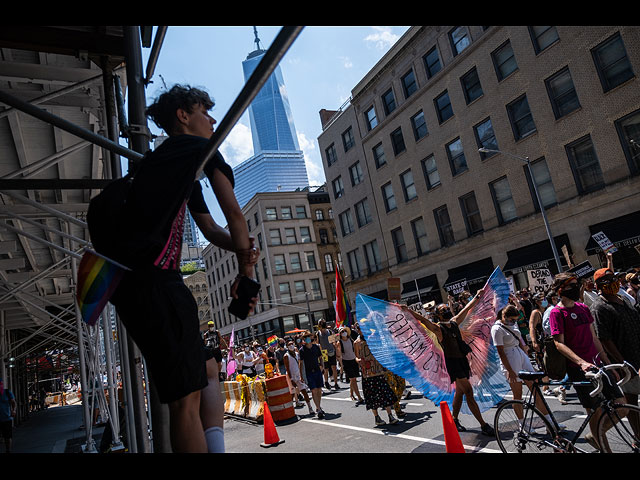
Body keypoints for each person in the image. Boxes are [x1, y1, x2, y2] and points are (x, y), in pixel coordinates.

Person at [109, 84, 260, 453]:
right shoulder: (199, 149)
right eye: (203, 111)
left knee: (207, 371)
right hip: (157, 283)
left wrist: (243, 250)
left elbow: (211, 230)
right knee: (184, 400)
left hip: (136, 288)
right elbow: (235, 216)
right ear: (182, 116)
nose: (211, 120)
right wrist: (247, 278)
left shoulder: (163, 164)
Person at [549, 271, 627, 450]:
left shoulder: (583, 308)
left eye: (577, 284)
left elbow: (594, 338)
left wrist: (608, 364)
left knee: (622, 406)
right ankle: (603, 448)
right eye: (572, 285)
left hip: (598, 364)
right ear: (561, 290)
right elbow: (559, 344)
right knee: (595, 412)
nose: (577, 288)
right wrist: (580, 362)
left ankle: (595, 435)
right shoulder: (557, 313)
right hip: (579, 369)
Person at [410, 289, 495, 436]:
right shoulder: (438, 328)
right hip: (453, 364)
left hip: (462, 361)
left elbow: (467, 309)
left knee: (460, 392)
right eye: (442, 310)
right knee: (468, 391)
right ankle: (483, 425)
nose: (446, 311)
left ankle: (453, 419)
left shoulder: (454, 322)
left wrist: (477, 296)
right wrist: (408, 311)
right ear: (438, 315)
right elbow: (423, 321)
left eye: (446, 308)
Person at [492, 306, 564, 430]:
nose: (513, 322)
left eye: (515, 320)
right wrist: (509, 370)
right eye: (511, 320)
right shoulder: (497, 329)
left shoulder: (513, 324)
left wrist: (525, 354)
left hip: (520, 355)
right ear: (504, 317)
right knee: (517, 394)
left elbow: (519, 338)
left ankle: (549, 422)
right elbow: (501, 352)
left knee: (535, 390)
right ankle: (522, 423)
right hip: (509, 358)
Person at [590, 268, 640, 437]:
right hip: (625, 362)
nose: (613, 283)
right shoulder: (599, 307)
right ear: (598, 286)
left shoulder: (623, 300)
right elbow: (605, 339)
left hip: (637, 356)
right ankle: (637, 438)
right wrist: (623, 363)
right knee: (630, 401)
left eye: (614, 279)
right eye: (607, 281)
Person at [354, 333, 399, 426]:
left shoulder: (374, 339)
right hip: (367, 374)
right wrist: (358, 360)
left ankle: (390, 415)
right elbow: (356, 356)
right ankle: (377, 417)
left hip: (378, 371)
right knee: (372, 397)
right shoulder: (357, 343)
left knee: (385, 393)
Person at [299, 331, 326, 419]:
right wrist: (301, 375)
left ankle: (319, 406)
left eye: (308, 337)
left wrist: (322, 366)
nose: (307, 339)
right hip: (309, 372)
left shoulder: (316, 347)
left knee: (319, 389)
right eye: (305, 337)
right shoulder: (302, 350)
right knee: (314, 390)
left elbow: (320, 357)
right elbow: (301, 363)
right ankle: (318, 409)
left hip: (317, 370)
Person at [283, 340, 314, 415]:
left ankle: (310, 407)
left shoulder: (297, 354)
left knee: (304, 391)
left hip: (298, 375)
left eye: (292, 344)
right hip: (291, 376)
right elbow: (287, 368)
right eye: (289, 345)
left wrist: (301, 376)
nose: (291, 346)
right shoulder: (286, 356)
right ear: (287, 347)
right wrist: (291, 379)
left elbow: (300, 365)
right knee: (292, 394)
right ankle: (290, 410)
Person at [337, 326, 364, 405]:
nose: (344, 333)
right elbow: (339, 354)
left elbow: (355, 350)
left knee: (354, 379)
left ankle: (351, 393)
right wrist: (336, 347)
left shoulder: (351, 340)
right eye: (342, 332)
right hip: (346, 362)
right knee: (353, 379)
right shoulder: (339, 342)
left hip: (353, 360)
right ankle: (359, 397)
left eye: (344, 331)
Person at [317, 320, 339, 390]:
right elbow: (318, 344)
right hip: (324, 352)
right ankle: (326, 382)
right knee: (326, 369)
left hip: (331, 351)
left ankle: (336, 383)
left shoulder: (329, 332)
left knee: (334, 367)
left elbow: (333, 342)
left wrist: (337, 351)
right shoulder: (318, 333)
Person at [0, 379, 16, 453]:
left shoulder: (7, 392)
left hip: (6, 418)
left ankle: (8, 450)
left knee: (7, 437)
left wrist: (13, 410)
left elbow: (13, 402)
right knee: (5, 437)